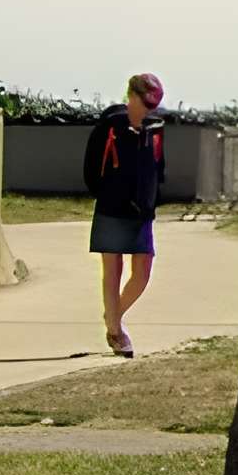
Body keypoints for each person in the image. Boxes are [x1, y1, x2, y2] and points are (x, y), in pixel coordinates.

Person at [84, 73, 166, 358]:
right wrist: (107, 194)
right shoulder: (111, 124)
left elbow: (158, 166)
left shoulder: (155, 127)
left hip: (142, 210)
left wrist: (152, 198)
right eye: (146, 102)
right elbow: (92, 167)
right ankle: (116, 333)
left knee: (142, 272)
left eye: (155, 104)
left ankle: (112, 317)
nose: (150, 109)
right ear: (131, 96)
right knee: (113, 271)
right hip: (112, 206)